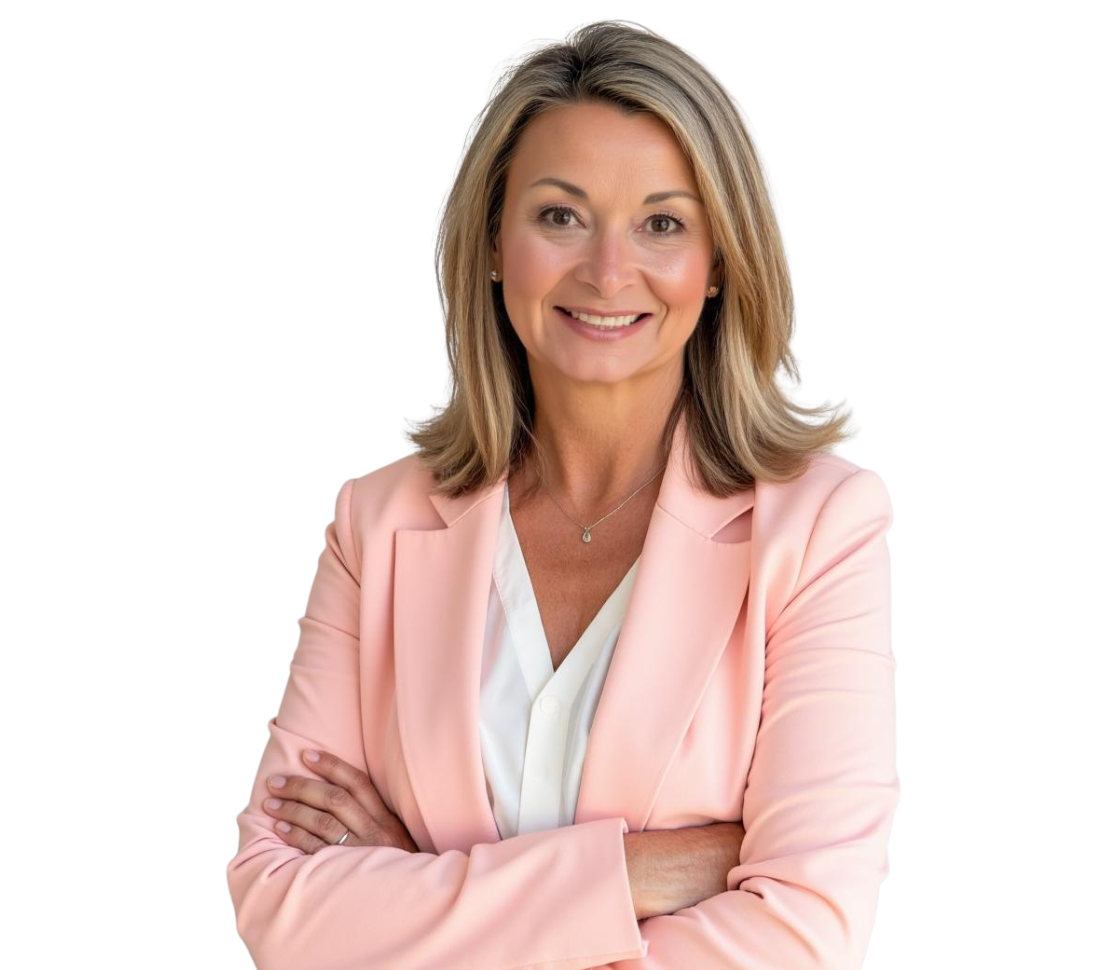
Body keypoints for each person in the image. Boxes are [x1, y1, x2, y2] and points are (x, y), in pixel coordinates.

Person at [225, 19, 897, 970]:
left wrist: (417, 881)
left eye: (663, 223)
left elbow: (807, 934)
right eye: (560, 215)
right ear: (495, 242)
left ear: (718, 266)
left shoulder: (822, 526)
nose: (608, 272)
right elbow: (279, 905)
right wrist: (644, 873)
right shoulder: (375, 524)